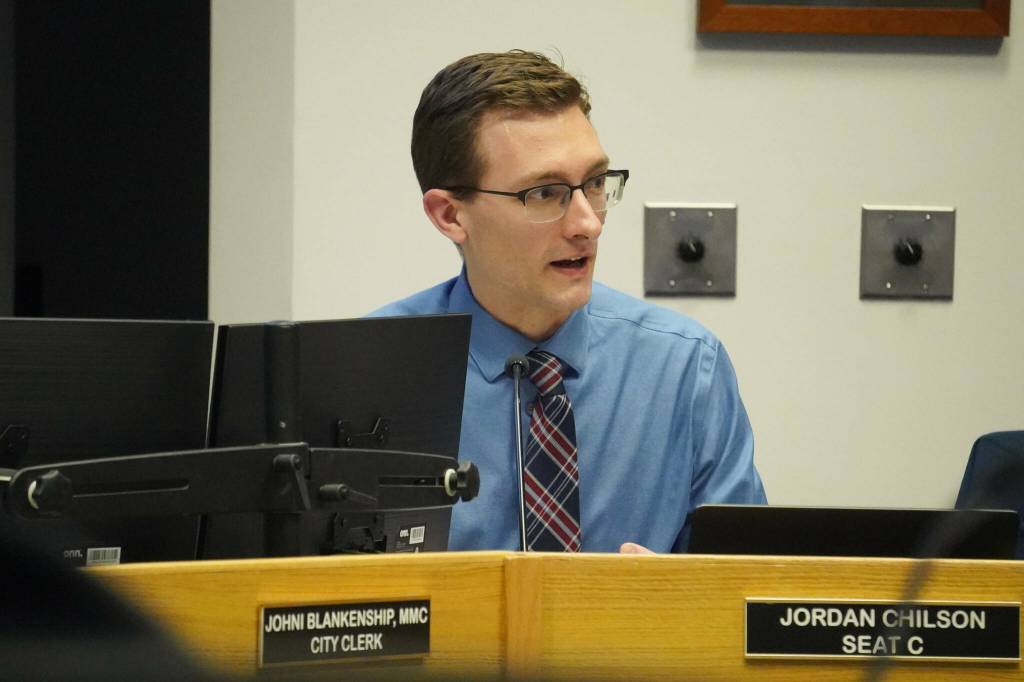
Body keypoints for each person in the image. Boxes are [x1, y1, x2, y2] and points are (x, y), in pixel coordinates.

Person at [370, 50, 766, 553]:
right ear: (450, 215)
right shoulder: (372, 373)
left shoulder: (686, 368)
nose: (588, 223)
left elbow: (747, 585)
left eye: (595, 184)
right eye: (544, 193)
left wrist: (677, 591)